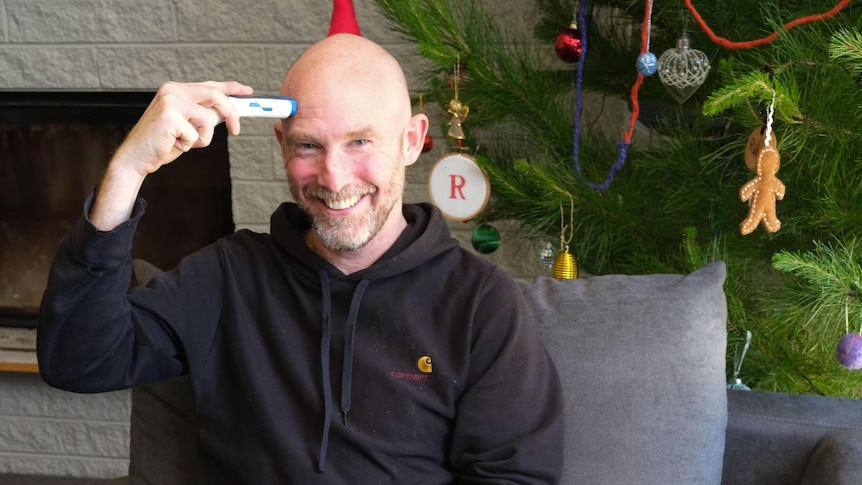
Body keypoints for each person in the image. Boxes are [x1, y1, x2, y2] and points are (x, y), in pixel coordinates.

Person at [37, 33, 564, 484]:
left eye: (360, 141)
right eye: (308, 146)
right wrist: (129, 169)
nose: (334, 179)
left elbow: (513, 474)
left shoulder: (479, 301)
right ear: (281, 143)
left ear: (412, 141)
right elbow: (78, 360)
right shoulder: (227, 275)